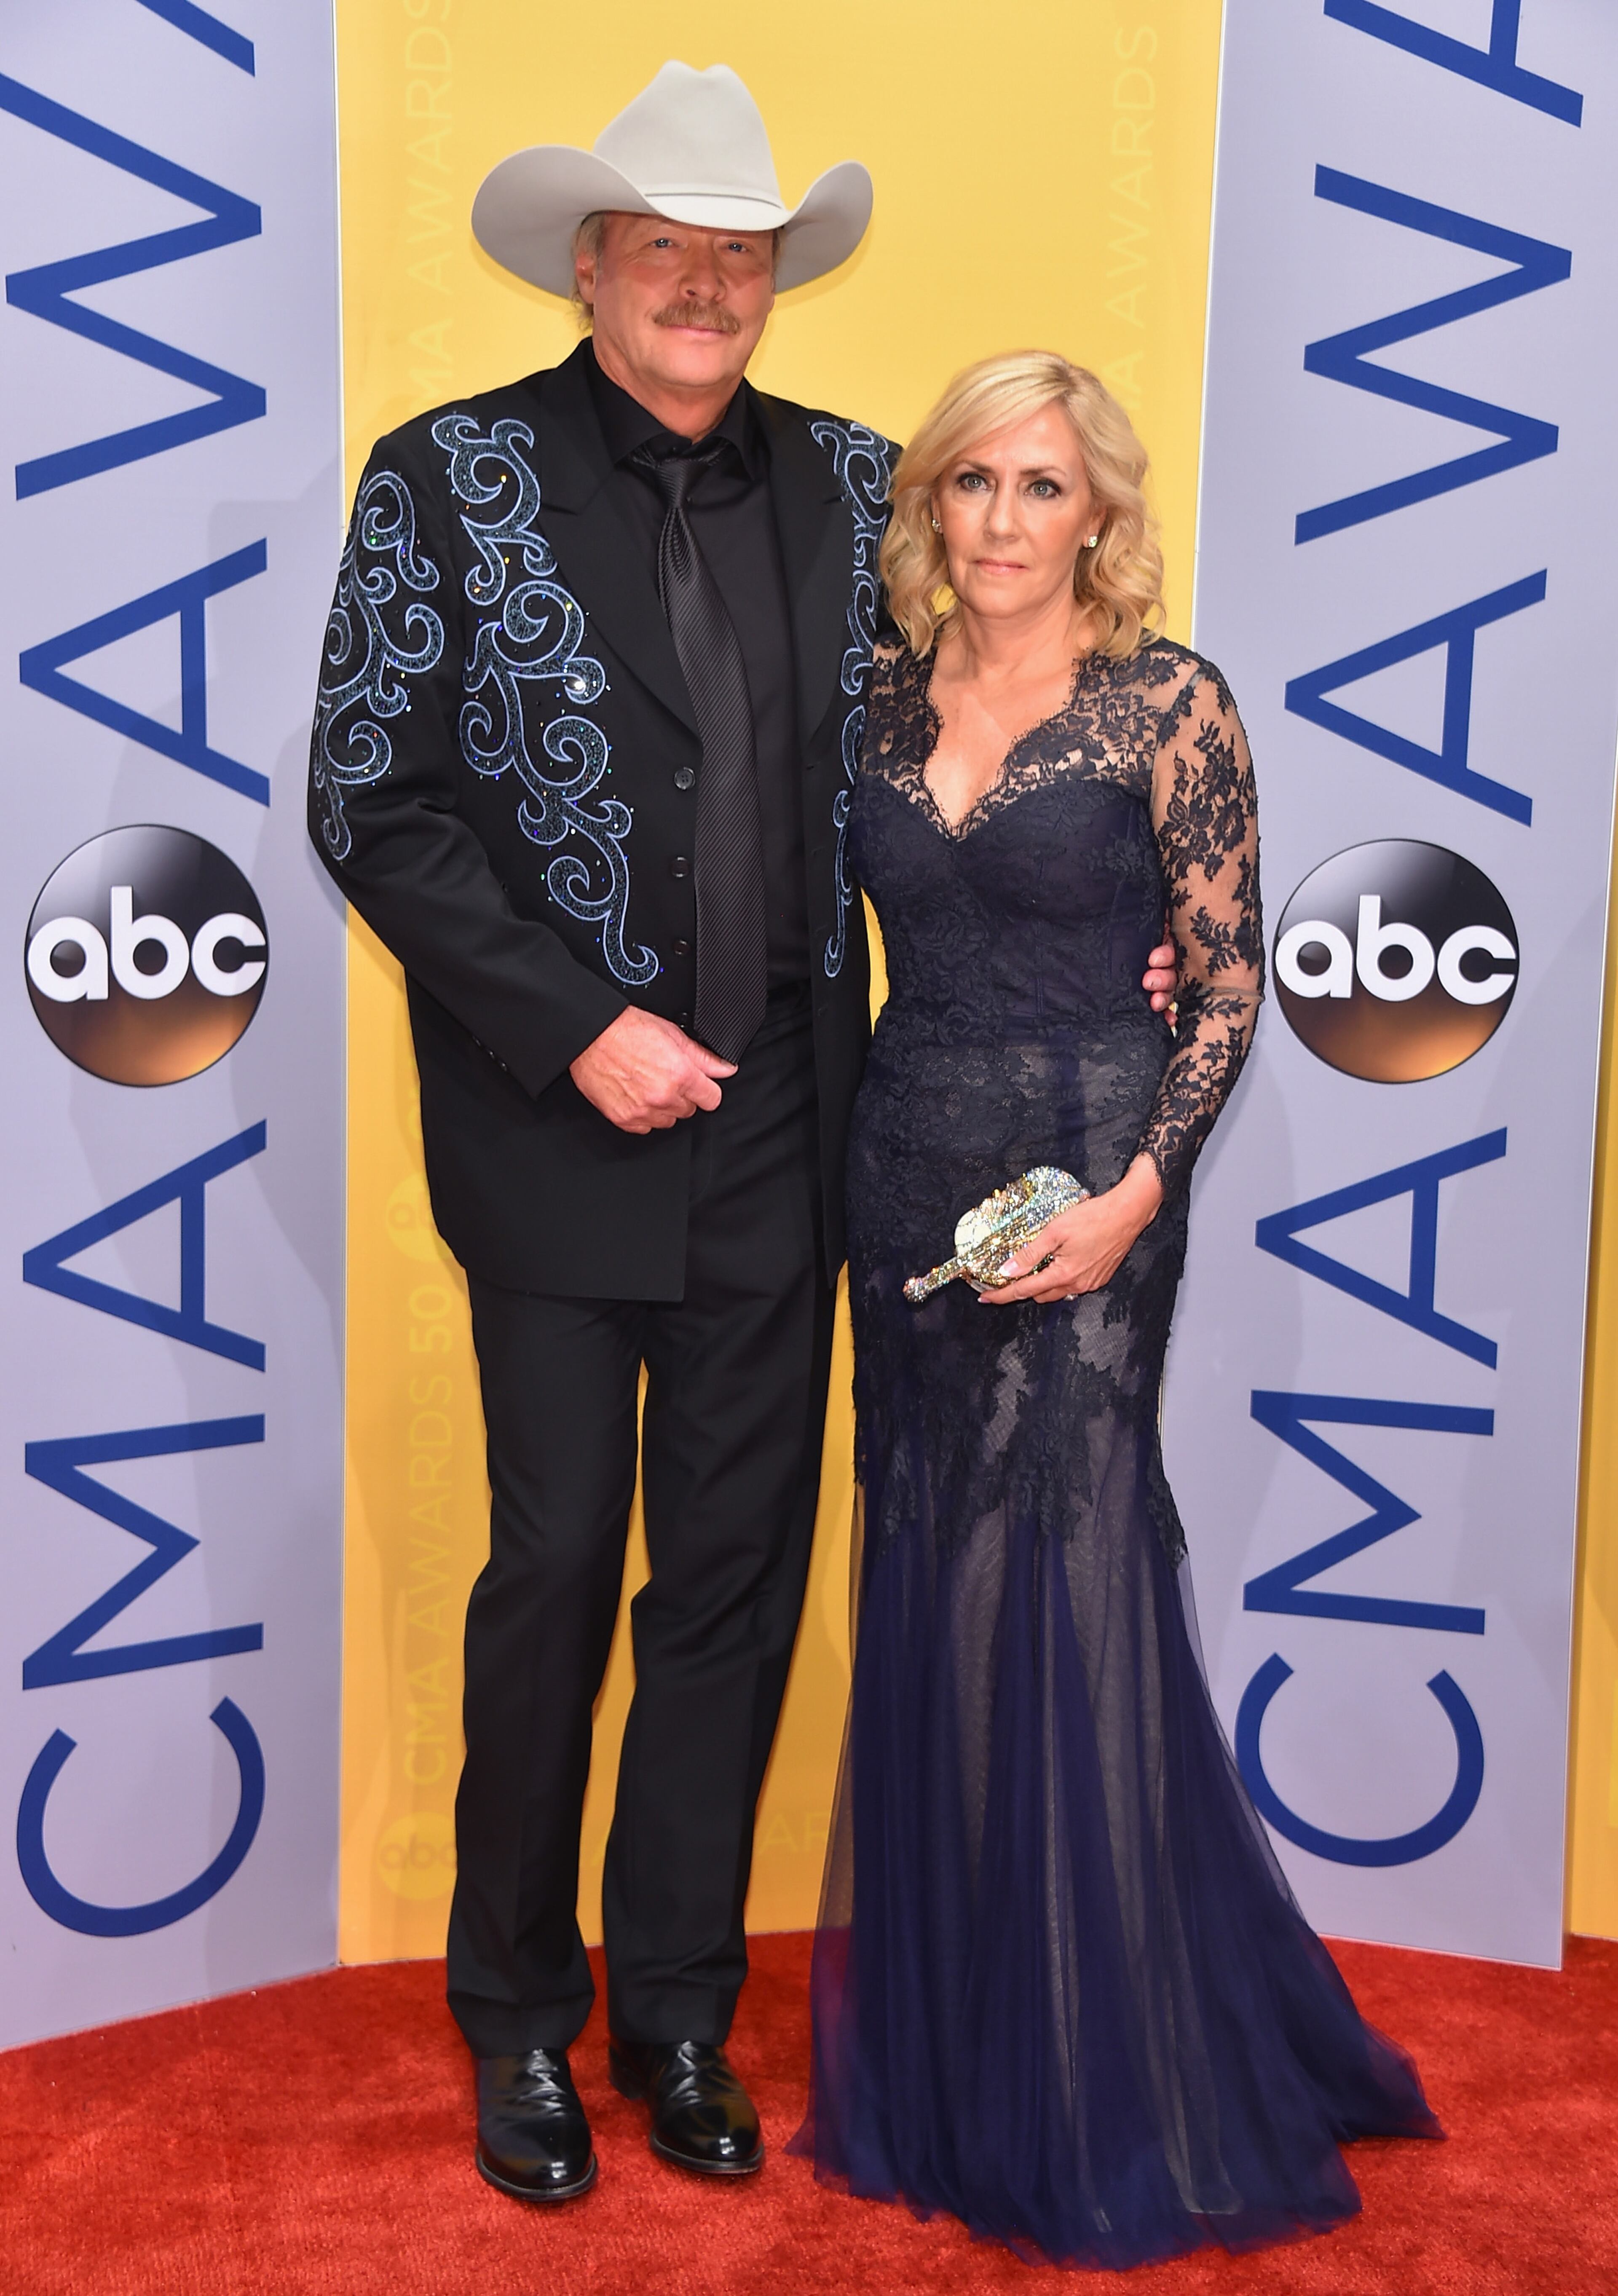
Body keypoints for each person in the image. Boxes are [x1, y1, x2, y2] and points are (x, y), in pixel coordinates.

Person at [310, 58, 1187, 2206]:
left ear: (774, 281)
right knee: (547, 1584)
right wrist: (570, 1024)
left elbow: (1005, 719)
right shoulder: (444, 481)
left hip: (801, 1144)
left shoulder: (865, 486)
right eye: (667, 247)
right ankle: (516, 2016)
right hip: (552, 1135)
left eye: (742, 252)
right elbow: (372, 800)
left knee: (728, 1587)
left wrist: (1139, 935)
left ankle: (678, 2014)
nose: (706, 283)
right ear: (590, 265)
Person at [794, 352, 1441, 2268]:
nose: (1003, 522)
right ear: (936, 507)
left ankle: (1099, 2069)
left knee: (1058, 1575)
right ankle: (961, 2040)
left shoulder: (1173, 698)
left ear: (1101, 514)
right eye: (974, 484)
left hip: (1099, 1179)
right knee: (928, 1566)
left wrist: (1141, 1190)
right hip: (910, 1177)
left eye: (1042, 488)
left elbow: (1228, 982)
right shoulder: (879, 708)